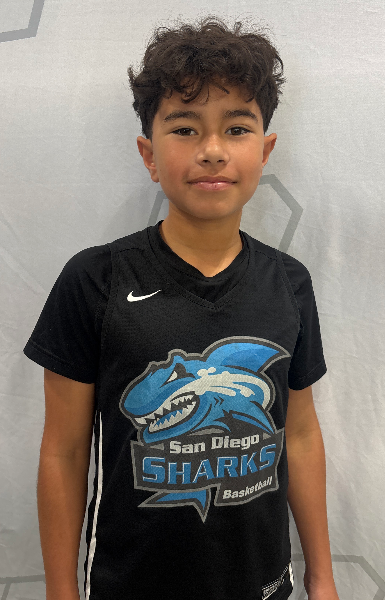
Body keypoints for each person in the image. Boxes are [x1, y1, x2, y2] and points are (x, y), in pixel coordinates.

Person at [23, 15, 340, 600]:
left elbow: (299, 436)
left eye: (237, 128)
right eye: (186, 128)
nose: (213, 151)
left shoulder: (289, 282)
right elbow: (62, 453)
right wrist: (60, 591)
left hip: (263, 583)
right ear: (149, 154)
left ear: (265, 149)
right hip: (128, 583)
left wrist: (322, 577)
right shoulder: (94, 280)